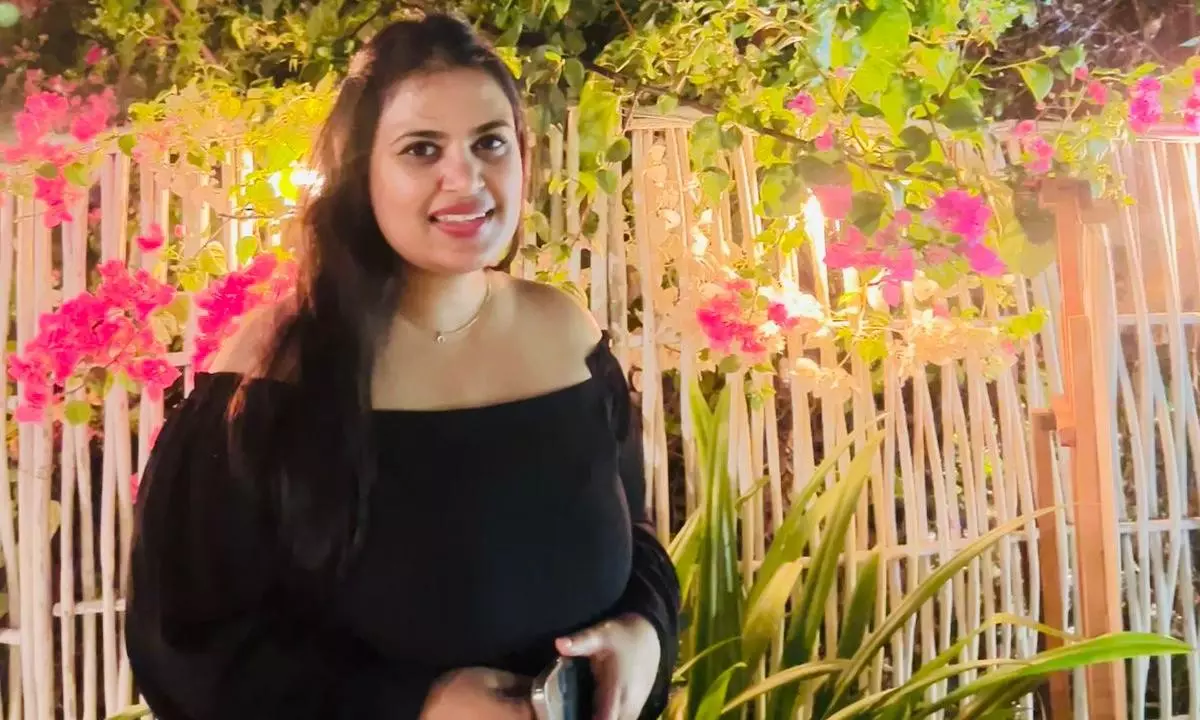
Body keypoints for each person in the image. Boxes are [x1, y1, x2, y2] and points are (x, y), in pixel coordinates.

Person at [124, 12, 680, 720]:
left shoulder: (567, 337)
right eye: (422, 149)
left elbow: (637, 543)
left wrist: (643, 634)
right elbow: (186, 645)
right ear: (361, 174)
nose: (466, 178)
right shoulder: (268, 380)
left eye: (490, 143)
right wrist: (418, 706)